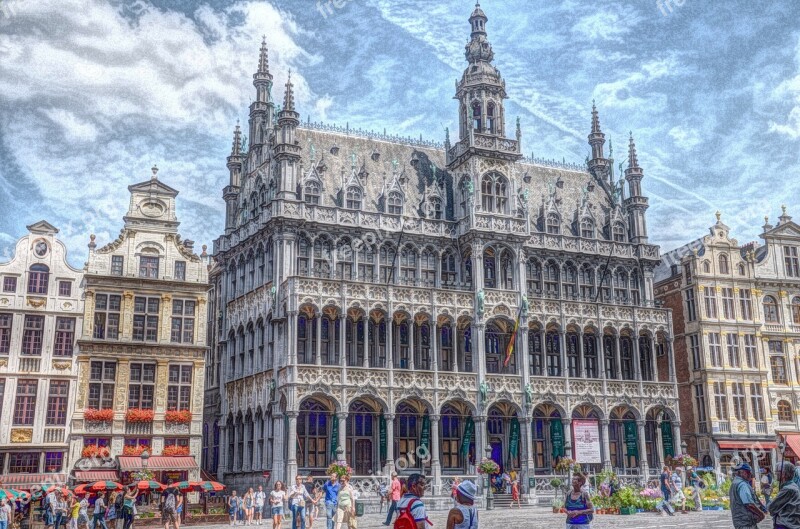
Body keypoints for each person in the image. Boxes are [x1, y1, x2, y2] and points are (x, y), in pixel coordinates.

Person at [729, 462, 766, 529]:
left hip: (740, 522)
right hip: (746, 523)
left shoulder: (735, 483)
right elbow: (749, 504)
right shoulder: (742, 485)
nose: (750, 475)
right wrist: (761, 514)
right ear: (742, 472)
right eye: (748, 472)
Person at [768, 462, 800, 529]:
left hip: (786, 524)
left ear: (783, 474)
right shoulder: (791, 486)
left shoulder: (788, 489)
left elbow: (771, 509)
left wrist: (770, 500)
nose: (776, 474)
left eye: (777, 472)